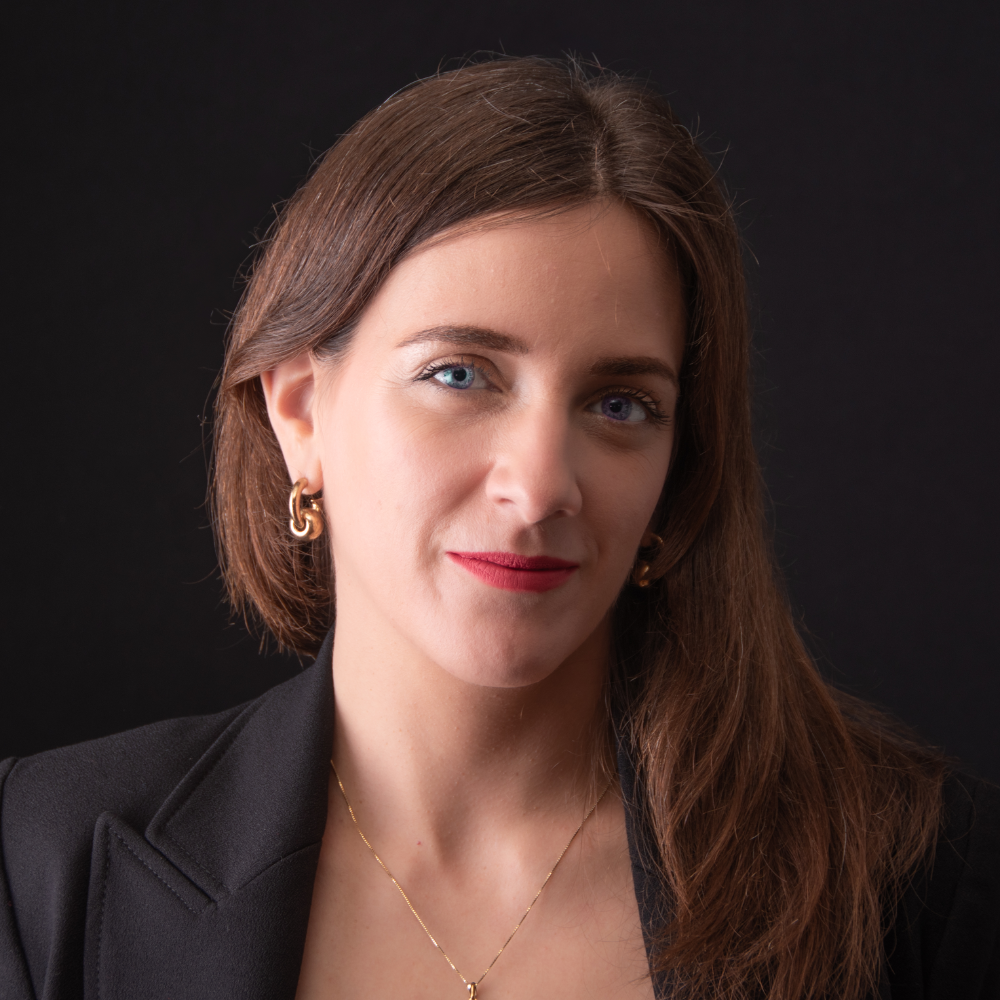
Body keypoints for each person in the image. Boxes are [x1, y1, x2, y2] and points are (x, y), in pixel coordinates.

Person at [1, 56, 997, 1000]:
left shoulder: (909, 872)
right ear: (299, 411)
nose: (537, 488)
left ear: (678, 461)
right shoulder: (41, 855)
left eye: (618, 404)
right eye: (460, 374)